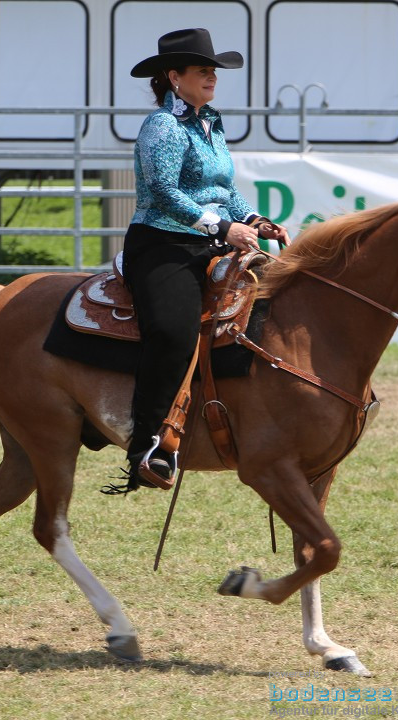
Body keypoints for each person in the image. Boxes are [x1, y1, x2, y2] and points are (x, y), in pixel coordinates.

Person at [121, 28, 290, 491]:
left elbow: (223, 190)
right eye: (202, 69)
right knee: (174, 331)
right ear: (174, 77)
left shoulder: (209, 121)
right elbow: (164, 191)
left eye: (214, 69)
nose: (213, 75)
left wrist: (253, 218)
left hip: (210, 243)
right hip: (162, 244)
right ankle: (148, 445)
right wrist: (222, 228)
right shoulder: (164, 126)